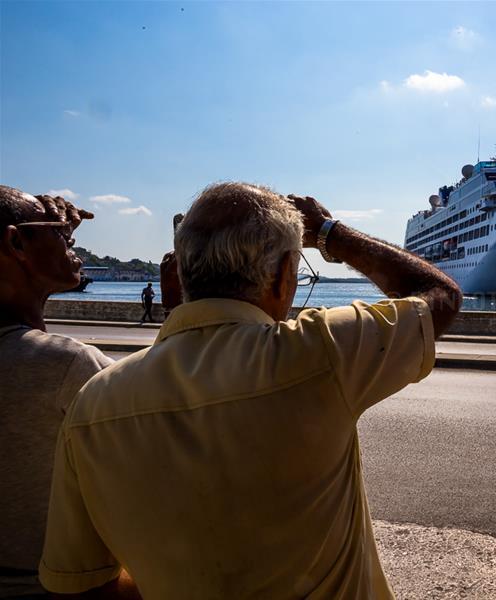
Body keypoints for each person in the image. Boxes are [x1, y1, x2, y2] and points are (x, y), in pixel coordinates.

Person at [39, 182, 461, 598]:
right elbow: (439, 296)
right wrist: (330, 233)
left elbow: (81, 584)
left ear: (182, 271)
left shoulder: (93, 405)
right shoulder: (319, 353)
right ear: (281, 277)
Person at [0, 186, 117, 598]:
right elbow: (166, 408)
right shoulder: (65, 365)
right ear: (15, 242)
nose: (73, 245)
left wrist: (46, 232)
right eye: (63, 236)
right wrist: (184, 302)